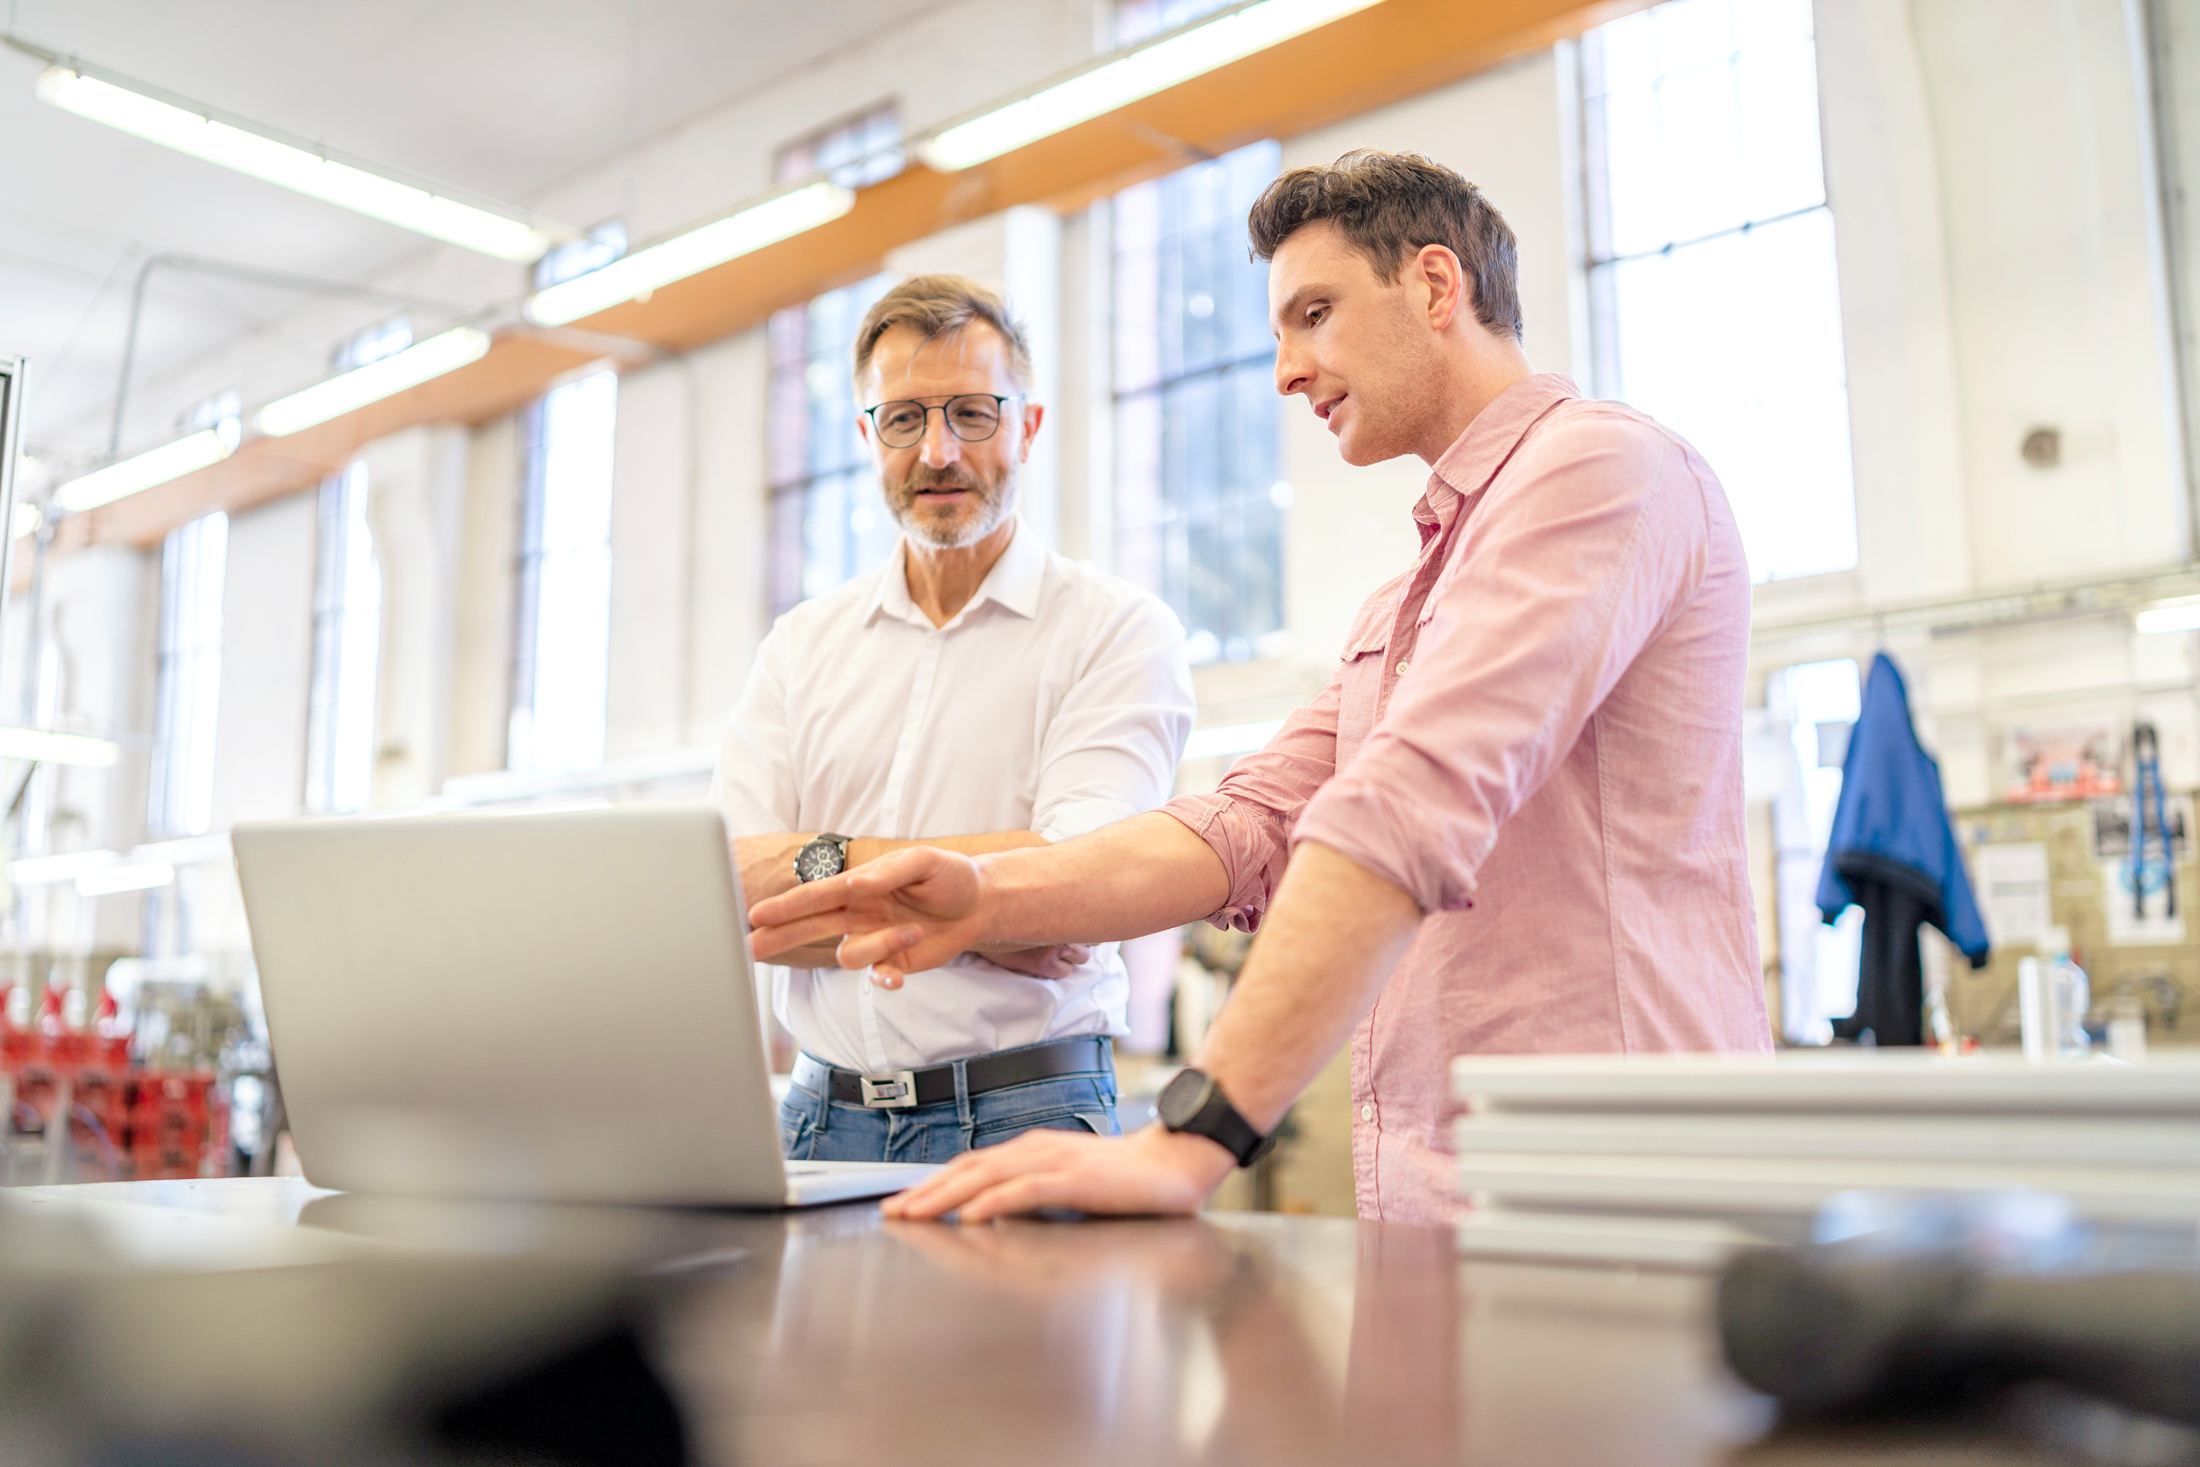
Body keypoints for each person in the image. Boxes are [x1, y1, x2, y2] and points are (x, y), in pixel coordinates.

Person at [748, 152, 1771, 1224]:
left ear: (1434, 286)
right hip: (1446, 1196)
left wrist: (1195, 1134)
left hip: (1618, 1189)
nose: (1285, 370)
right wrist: (985, 897)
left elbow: (1406, 806)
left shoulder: (1597, 470)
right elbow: (1244, 825)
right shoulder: (1406, 599)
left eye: (1313, 314)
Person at [713, 274, 1193, 1164]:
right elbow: (734, 895)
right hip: (822, 1118)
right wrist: (988, 903)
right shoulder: (801, 645)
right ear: (867, 435)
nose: (937, 451)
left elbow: (1081, 893)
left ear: (1028, 426)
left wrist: (816, 872)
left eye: (972, 412)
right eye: (903, 419)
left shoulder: (1116, 630)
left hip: (1028, 1110)